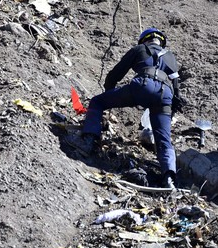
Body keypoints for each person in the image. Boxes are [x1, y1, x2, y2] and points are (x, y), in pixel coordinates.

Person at [66, 28, 186, 189]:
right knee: (164, 139)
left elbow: (117, 72)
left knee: (97, 102)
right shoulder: (171, 57)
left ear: (144, 39)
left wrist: (109, 92)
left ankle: (88, 141)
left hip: (142, 86)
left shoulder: (140, 49)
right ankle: (169, 178)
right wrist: (170, 107)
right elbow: (177, 89)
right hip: (165, 95)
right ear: (161, 42)